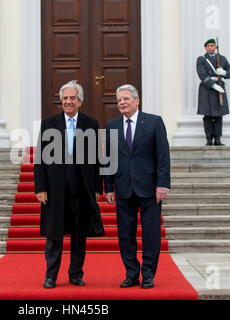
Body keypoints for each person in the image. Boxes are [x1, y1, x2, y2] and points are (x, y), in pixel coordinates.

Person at [34, 80, 105, 289]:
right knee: (54, 235)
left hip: (81, 188)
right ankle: (51, 276)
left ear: (80, 101)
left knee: (78, 235)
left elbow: (96, 159)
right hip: (55, 190)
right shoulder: (49, 123)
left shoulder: (90, 124)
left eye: (72, 98)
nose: (68, 102)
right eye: (65, 98)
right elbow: (40, 158)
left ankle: (76, 274)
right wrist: (40, 187)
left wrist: (97, 188)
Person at [104, 84, 171, 289]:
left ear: (136, 100)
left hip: (149, 188)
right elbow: (108, 158)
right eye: (119, 100)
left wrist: (162, 185)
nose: (122, 103)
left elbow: (163, 156)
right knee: (125, 234)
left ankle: (148, 274)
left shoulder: (154, 122)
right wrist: (108, 187)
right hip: (123, 187)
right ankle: (131, 273)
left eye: (126, 99)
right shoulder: (112, 126)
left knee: (151, 233)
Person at [197, 39, 230, 146]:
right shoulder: (202, 60)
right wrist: (213, 85)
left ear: (215, 47)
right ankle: (209, 139)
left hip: (220, 88)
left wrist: (224, 72)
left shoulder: (222, 59)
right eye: (208, 45)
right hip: (207, 89)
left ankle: (217, 139)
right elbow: (202, 75)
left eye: (212, 45)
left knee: (219, 116)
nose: (210, 47)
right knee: (207, 116)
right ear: (205, 48)